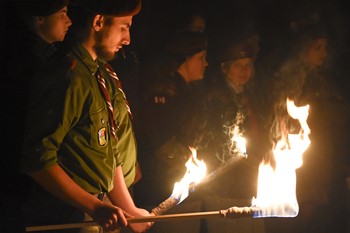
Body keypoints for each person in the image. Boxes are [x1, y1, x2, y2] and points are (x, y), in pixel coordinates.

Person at [19, 0, 153, 232]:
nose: (128, 39)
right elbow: (37, 160)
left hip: (97, 211)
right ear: (98, 22)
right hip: (67, 215)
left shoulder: (98, 72)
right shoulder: (67, 76)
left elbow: (109, 151)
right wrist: (94, 206)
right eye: (123, 27)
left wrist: (128, 208)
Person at [266, 23, 350, 233]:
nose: (324, 53)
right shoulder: (290, 81)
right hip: (301, 163)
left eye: (325, 47)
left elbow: (340, 117)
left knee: (316, 217)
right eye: (317, 47)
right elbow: (282, 120)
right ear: (303, 49)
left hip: (322, 160)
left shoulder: (325, 80)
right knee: (295, 216)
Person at [1, 1, 72, 232]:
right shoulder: (31, 65)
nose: (69, 21)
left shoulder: (40, 58)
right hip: (23, 183)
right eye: (62, 13)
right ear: (39, 18)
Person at [196, 35, 268, 233]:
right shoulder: (215, 99)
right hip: (226, 186)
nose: (245, 71)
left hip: (251, 183)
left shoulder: (251, 95)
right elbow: (214, 143)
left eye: (248, 65)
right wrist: (245, 159)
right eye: (238, 65)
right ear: (224, 68)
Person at [136, 31, 208, 205]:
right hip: (166, 189)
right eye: (200, 58)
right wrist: (190, 164)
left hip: (187, 184)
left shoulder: (188, 91)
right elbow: (161, 141)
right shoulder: (163, 92)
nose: (206, 63)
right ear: (183, 60)